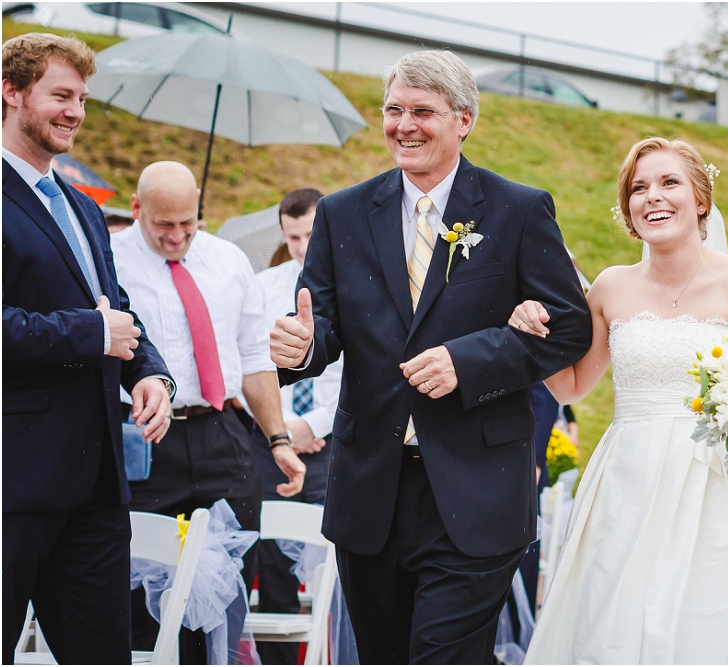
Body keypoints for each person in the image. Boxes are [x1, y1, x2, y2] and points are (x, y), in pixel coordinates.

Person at [269, 50, 592, 664]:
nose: (404, 125)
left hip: (477, 489)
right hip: (371, 492)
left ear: (464, 119)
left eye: (423, 111)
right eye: (394, 110)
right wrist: (303, 347)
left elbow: (570, 326)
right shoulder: (341, 214)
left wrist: (469, 362)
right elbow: (325, 328)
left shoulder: (519, 210)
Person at [512, 137, 728, 664]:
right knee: (619, 620)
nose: (653, 196)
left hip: (722, 484)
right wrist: (532, 333)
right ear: (628, 210)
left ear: (701, 199)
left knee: (716, 618)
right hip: (628, 483)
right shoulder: (609, 287)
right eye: (638, 188)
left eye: (669, 182)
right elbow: (570, 387)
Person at [2, 33, 174, 664]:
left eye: (82, 97)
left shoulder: (80, 204)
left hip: (97, 485)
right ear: (12, 92)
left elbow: (115, 309)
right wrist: (88, 334)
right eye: (61, 95)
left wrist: (151, 375)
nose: (75, 110)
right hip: (11, 484)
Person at [112, 161, 305, 662]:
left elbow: (254, 360)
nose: (178, 236)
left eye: (188, 223)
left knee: (225, 587)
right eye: (164, 225)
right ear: (137, 209)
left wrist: (278, 438)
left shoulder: (228, 260)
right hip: (142, 438)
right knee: (138, 588)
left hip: (221, 433)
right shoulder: (109, 261)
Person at [251, 187, 345, 665]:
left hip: (332, 441)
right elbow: (253, 362)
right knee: (273, 561)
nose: (303, 247)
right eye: (293, 238)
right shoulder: (265, 286)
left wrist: (312, 424)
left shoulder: (350, 282)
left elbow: (354, 372)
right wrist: (281, 430)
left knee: (339, 559)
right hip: (275, 437)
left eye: (310, 234)